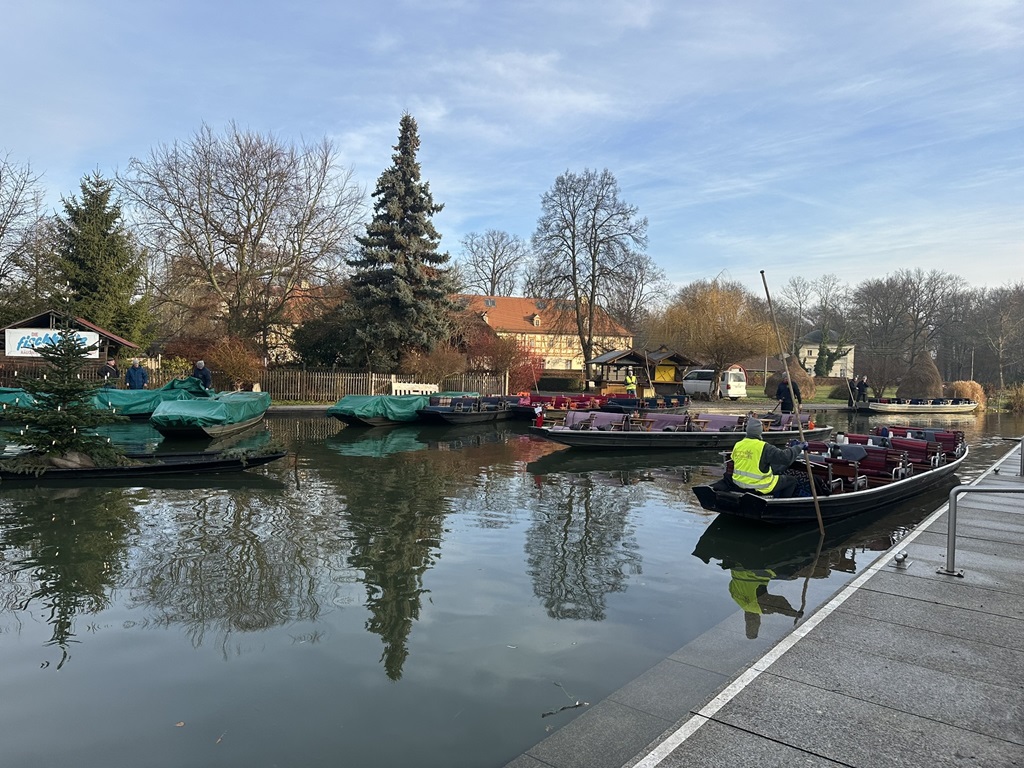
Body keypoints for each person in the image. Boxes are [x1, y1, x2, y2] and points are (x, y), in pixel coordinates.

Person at [730, 418, 805, 498]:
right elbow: (785, 458)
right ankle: (781, 505)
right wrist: (799, 447)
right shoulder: (764, 447)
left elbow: (742, 461)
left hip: (738, 484)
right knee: (792, 481)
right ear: (760, 431)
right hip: (759, 486)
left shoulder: (738, 445)